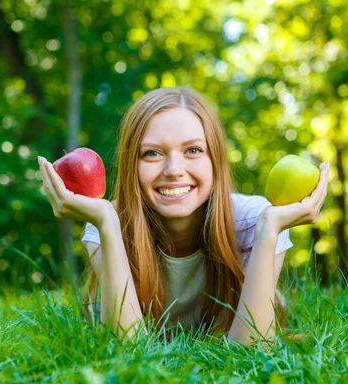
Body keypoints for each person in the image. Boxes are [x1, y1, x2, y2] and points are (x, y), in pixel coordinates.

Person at [38, 87, 329, 345]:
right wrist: (105, 221)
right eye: (152, 153)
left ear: (215, 160)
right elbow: (127, 352)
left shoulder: (253, 218)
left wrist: (269, 228)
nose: (174, 169)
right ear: (132, 166)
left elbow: (252, 351)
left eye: (193, 150)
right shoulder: (107, 223)